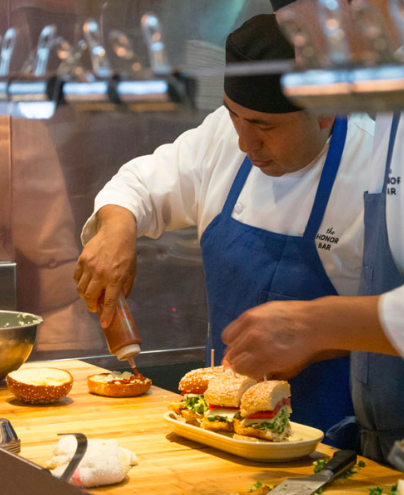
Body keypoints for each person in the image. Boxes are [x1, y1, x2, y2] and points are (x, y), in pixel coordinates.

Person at [74, 14, 375, 445]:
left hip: (335, 441)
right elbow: (139, 184)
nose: (244, 143)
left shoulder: (373, 166)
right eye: (236, 116)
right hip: (221, 429)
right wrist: (116, 228)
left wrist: (316, 335)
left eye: (265, 126)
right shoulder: (222, 134)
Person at [222, 0, 404, 470]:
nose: (302, 59)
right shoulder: (400, 91)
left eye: (299, 32)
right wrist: (317, 342)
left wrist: (312, 324)